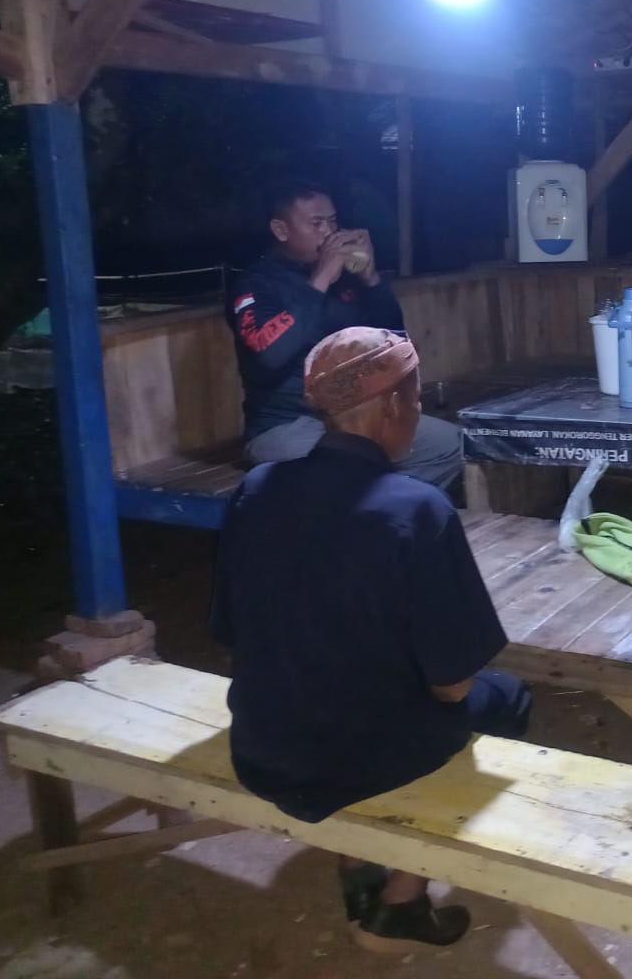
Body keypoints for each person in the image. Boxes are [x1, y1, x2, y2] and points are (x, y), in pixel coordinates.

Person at [211, 326, 531, 952]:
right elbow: (453, 682)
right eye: (416, 397)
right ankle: (401, 902)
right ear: (394, 405)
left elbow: (229, 630)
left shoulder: (256, 489)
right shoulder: (416, 509)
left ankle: (358, 869)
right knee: (507, 698)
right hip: (361, 760)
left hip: (262, 746)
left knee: (345, 694)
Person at [226, 180, 463, 490]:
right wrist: (321, 278)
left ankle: (384, 507)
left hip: (355, 417)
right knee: (347, 467)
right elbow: (270, 356)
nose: (328, 232)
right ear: (281, 230)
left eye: (333, 221)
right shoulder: (256, 284)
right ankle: (368, 503)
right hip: (286, 426)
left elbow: (391, 338)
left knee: (452, 445)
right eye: (316, 223)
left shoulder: (345, 279)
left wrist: (371, 279)